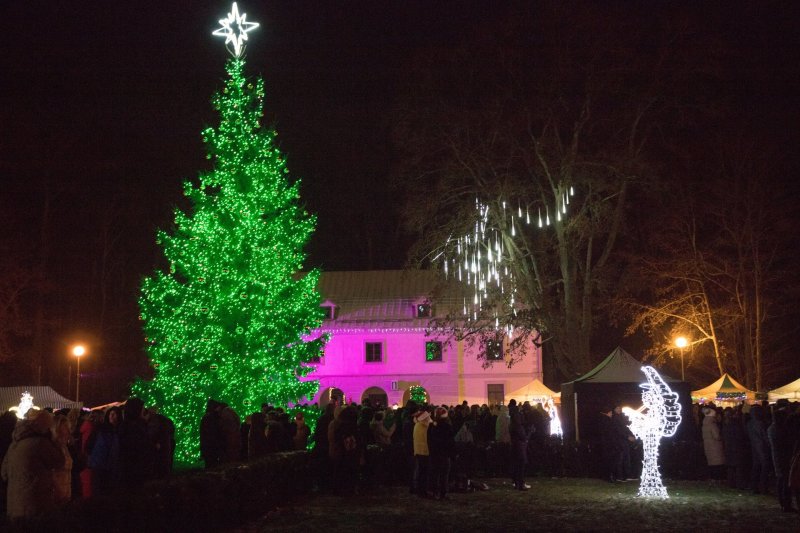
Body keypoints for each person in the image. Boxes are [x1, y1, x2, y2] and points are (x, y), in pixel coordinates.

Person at [1, 409, 65, 521]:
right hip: (35, 504)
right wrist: (56, 441)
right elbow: (59, 461)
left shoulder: (14, 444)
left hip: (14, 505)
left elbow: (4, 473)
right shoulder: (41, 443)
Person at [89, 406, 122, 492]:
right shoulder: (102, 429)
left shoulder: (120, 431)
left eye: (114, 414)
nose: (112, 416)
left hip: (111, 468)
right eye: (111, 414)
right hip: (101, 467)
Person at [429, 406, 455, 500]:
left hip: (435, 453)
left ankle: (435, 492)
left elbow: (429, 440)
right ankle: (443, 493)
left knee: (435, 474)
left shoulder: (432, 426)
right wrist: (452, 453)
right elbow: (451, 441)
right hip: (444, 454)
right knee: (444, 474)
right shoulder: (447, 426)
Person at [509, 399, 533, 490]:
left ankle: (516, 482)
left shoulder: (512, 423)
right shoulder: (518, 426)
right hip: (519, 447)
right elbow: (524, 437)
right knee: (521, 465)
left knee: (516, 465)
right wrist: (530, 432)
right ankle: (521, 483)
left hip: (515, 446)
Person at [51, 414, 74, 504]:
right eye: (65, 427)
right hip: (56, 496)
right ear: (57, 429)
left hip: (66, 493)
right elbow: (51, 474)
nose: (68, 431)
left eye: (69, 427)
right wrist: (60, 492)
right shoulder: (52, 447)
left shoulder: (64, 447)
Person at [599, 405, 623, 483]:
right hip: (609, 444)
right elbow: (610, 433)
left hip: (607, 444)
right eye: (610, 413)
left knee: (609, 460)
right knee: (611, 461)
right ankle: (609, 476)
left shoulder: (605, 421)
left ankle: (608, 476)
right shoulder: (607, 421)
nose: (611, 414)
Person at [412, 408, 433, 497]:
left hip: (418, 450)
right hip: (424, 451)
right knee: (423, 473)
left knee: (420, 472)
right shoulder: (424, 426)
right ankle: (422, 491)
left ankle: (418, 490)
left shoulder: (417, 424)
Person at [701, 407, 725, 479]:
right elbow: (717, 436)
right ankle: (718, 478)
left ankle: (713, 478)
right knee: (717, 464)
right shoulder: (712, 424)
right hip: (715, 446)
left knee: (712, 463)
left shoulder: (705, 423)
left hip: (708, 445)